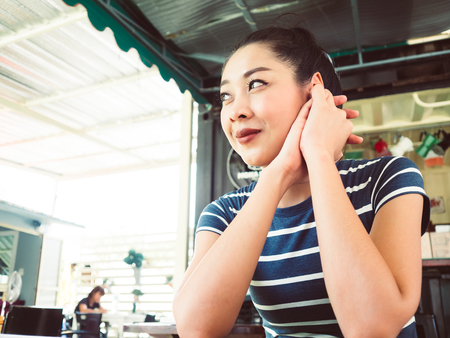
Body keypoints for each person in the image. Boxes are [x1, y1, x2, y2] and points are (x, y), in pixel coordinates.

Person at [172, 25, 430, 338]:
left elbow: (373, 328)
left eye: (256, 83)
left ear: (315, 91)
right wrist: (278, 173)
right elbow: (196, 328)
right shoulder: (224, 213)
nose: (235, 111)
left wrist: (319, 156)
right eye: (226, 95)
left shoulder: (387, 178)